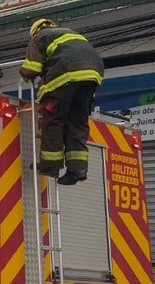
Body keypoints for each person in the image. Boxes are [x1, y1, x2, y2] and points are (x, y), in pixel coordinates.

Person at [19, 18, 104, 185]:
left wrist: (23, 73)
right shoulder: (72, 34)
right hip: (93, 75)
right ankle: (77, 169)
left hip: (66, 75)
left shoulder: (40, 36)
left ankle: (50, 165)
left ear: (35, 31)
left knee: (53, 120)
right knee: (77, 123)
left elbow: (31, 70)